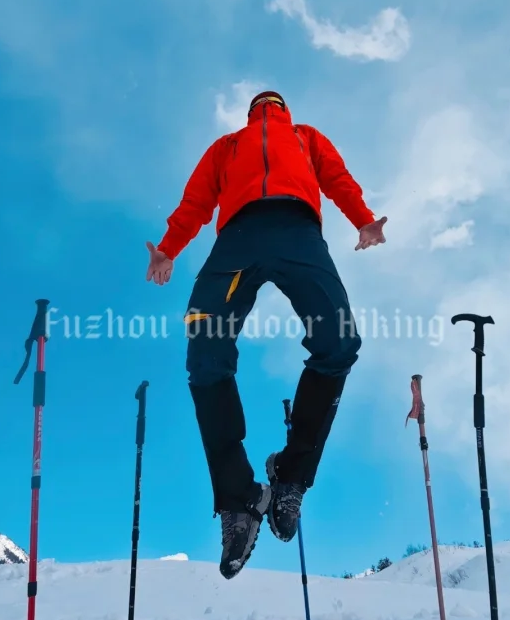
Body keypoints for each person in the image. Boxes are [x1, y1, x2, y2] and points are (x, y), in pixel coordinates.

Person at [146, 89, 386, 578]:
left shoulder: (305, 137)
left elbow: (336, 177)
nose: (266, 105)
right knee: (204, 352)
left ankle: (291, 474)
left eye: (270, 101)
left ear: (280, 107)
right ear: (254, 109)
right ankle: (240, 500)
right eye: (262, 101)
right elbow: (196, 199)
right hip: (238, 237)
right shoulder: (227, 146)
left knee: (339, 340)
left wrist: (362, 218)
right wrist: (169, 247)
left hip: (298, 230)